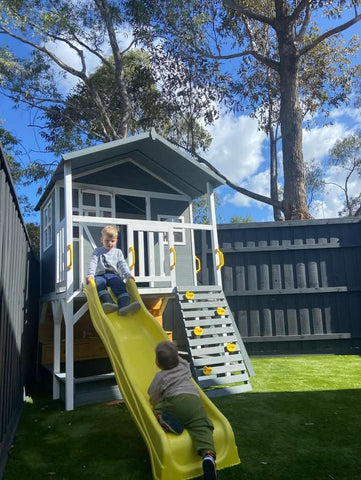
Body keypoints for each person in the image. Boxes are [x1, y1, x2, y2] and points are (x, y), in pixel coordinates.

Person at [148, 341, 217, 480]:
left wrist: (155, 404)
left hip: (174, 403)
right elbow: (180, 361)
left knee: (159, 405)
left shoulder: (161, 376)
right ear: (178, 357)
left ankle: (163, 418)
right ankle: (208, 456)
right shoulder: (185, 366)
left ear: (158, 363)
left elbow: (153, 395)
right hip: (194, 402)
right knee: (202, 426)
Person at [86, 225, 140, 315]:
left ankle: (124, 305)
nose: (109, 243)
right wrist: (90, 275)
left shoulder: (118, 252)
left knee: (119, 285)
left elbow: (122, 264)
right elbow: (93, 263)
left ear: (116, 241)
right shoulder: (97, 251)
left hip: (113, 275)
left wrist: (128, 275)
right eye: (107, 240)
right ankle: (109, 303)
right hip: (100, 275)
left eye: (112, 241)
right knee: (99, 284)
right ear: (102, 240)